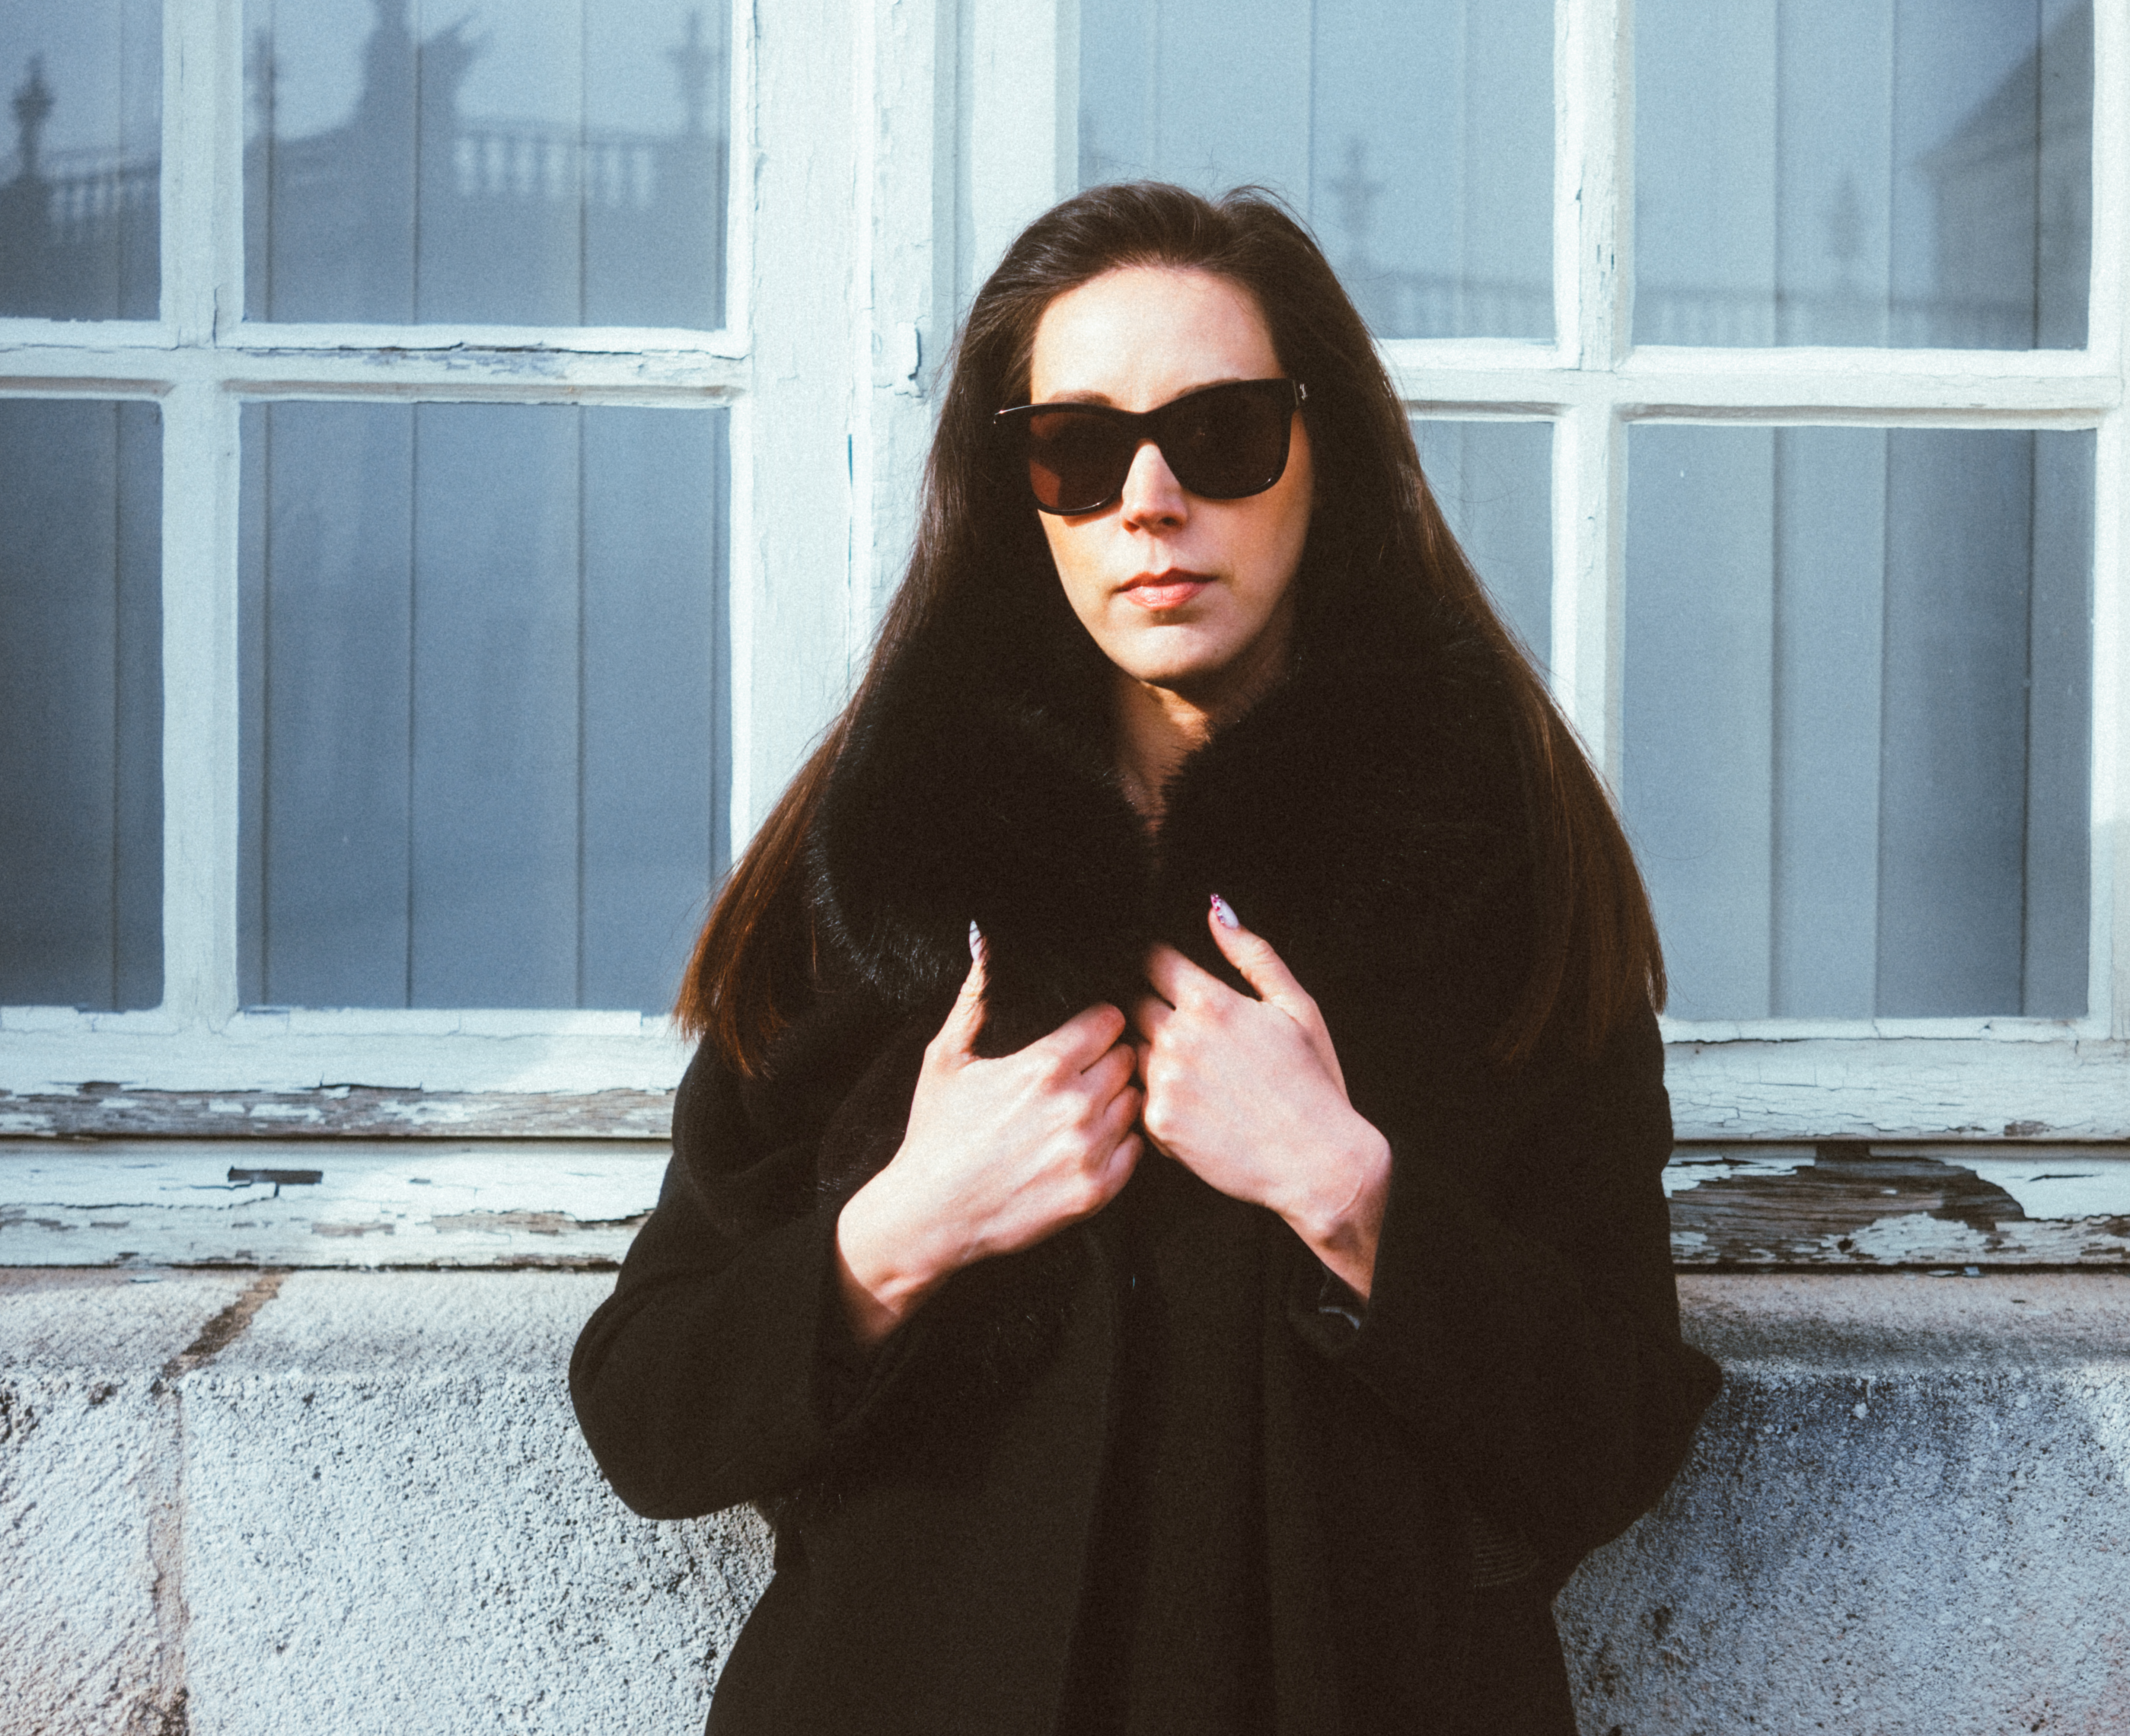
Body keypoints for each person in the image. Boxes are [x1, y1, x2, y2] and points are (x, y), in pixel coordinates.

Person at [569, 181, 1722, 1736]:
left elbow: (1610, 1431)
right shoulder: (886, 866)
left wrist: (1349, 1193)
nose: (1151, 498)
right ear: (1017, 488)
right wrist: (904, 1225)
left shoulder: (1497, 882)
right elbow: (650, 1410)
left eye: (1224, 434)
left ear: (1328, 459)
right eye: (1078, 447)